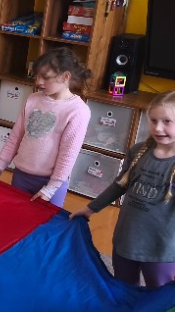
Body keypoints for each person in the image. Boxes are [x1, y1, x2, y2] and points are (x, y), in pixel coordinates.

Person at [71, 91, 175, 288]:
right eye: (153, 120)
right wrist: (91, 208)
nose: (158, 127)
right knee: (123, 288)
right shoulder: (138, 151)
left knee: (159, 297)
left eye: (167, 122)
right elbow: (119, 185)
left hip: (160, 250)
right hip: (126, 239)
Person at [0, 48, 92, 207]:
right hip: (21, 176)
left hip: (51, 183)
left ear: (65, 77)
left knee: (45, 222)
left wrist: (51, 189)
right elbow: (16, 136)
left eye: (45, 77)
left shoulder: (78, 111)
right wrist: (1, 165)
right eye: (37, 76)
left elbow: (68, 154)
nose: (38, 82)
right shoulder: (33, 99)